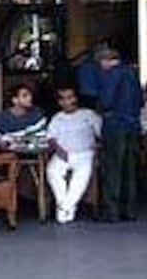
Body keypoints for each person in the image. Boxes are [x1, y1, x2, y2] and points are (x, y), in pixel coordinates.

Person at [96, 45, 142, 223]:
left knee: (113, 168)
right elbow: (139, 100)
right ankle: (129, 210)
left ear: (106, 60)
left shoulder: (110, 74)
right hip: (132, 125)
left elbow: (106, 100)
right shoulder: (131, 73)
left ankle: (111, 210)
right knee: (129, 168)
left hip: (115, 125)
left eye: (100, 62)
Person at [46, 86, 101, 224]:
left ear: (76, 98)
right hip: (63, 153)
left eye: (70, 97)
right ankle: (66, 206)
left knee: (80, 178)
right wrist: (59, 151)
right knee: (52, 171)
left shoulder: (89, 115)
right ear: (59, 102)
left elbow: (102, 134)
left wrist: (98, 146)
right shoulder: (57, 118)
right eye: (63, 98)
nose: (67, 101)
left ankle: (64, 207)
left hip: (85, 153)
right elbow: (51, 138)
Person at [0, 84, 46, 148]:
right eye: (25, 96)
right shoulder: (0, 119)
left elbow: (41, 139)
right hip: (6, 155)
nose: (30, 98)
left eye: (30, 95)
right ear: (14, 100)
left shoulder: (38, 115)